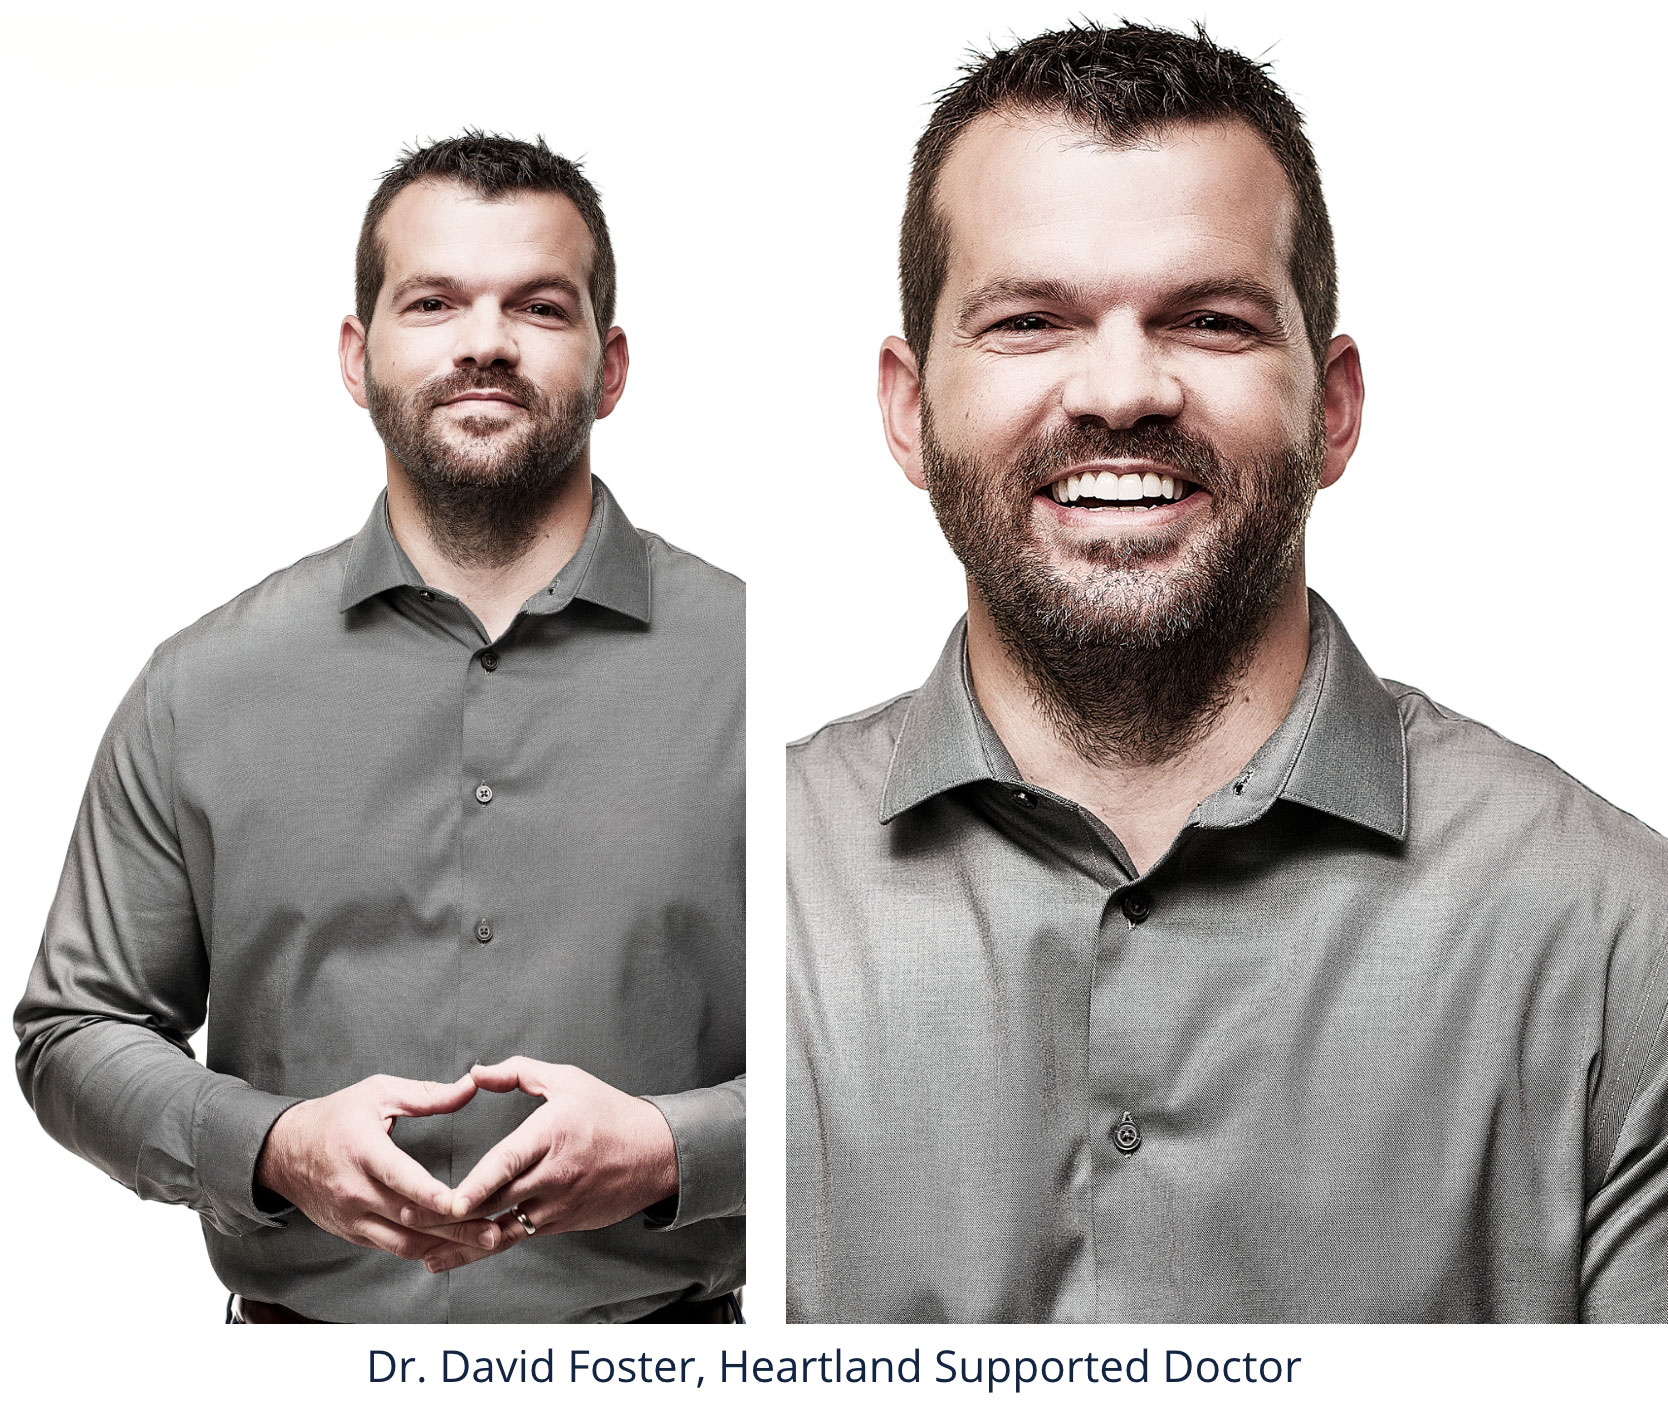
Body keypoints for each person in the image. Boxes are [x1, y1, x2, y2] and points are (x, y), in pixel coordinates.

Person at [786, 22, 1666, 1323]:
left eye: (1209, 319)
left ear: (1336, 406)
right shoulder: (754, 891)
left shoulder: (1617, 943)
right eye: (1031, 319)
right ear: (910, 410)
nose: (1125, 388)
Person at [16, 133, 744, 1324]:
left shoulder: (762, 673)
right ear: (359, 357)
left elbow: (865, 1061)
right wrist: (275, 1144)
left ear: (610, 367)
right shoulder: (202, 686)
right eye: (434, 301)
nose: (486, 340)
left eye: (540, 305)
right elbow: (74, 1030)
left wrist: (676, 1145)